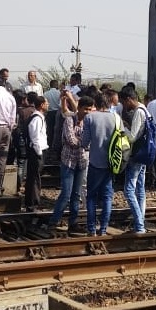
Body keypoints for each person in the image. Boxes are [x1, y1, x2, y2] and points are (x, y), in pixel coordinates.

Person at [48, 94, 93, 233]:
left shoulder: (89, 121)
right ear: (78, 108)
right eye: (85, 109)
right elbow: (71, 140)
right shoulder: (69, 119)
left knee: (76, 194)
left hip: (82, 161)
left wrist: (83, 143)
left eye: (89, 109)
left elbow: (88, 140)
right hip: (68, 161)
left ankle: (73, 222)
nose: (87, 112)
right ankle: (53, 221)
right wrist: (84, 143)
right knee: (66, 193)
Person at [81, 92, 116, 236]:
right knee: (107, 196)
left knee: (91, 196)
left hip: (95, 161)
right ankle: (103, 229)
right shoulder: (116, 117)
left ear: (96, 103)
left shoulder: (90, 117)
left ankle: (91, 229)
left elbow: (85, 142)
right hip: (111, 163)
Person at [121, 86, 152, 235]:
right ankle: (141, 219)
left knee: (128, 190)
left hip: (136, 155)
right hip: (144, 154)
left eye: (123, 102)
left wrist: (122, 128)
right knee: (140, 189)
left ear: (128, 99)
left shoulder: (139, 112)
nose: (124, 106)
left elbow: (132, 137)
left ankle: (139, 225)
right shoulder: (145, 109)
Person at [25, 94, 49, 211]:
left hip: (39, 150)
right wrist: (39, 152)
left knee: (35, 177)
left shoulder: (39, 117)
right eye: (46, 103)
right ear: (42, 105)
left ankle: (33, 202)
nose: (48, 105)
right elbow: (35, 137)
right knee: (34, 178)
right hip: (36, 152)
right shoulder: (36, 118)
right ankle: (32, 203)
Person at [44, 79, 61, 143]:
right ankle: (56, 144)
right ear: (57, 85)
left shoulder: (46, 93)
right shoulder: (59, 93)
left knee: (50, 129)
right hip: (57, 112)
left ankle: (50, 144)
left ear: (50, 85)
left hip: (49, 112)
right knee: (57, 130)